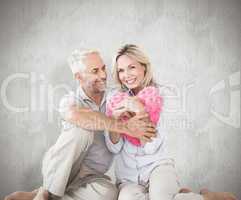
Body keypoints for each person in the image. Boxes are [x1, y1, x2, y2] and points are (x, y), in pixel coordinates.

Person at [4, 49, 156, 200]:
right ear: (79, 77)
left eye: (103, 68)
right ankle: (47, 192)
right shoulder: (70, 100)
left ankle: (41, 195)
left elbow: (136, 111)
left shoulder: (114, 96)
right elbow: (76, 115)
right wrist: (124, 127)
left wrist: (139, 116)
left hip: (92, 176)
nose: (103, 75)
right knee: (82, 131)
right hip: (64, 167)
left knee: (109, 194)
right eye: (95, 71)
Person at [104, 44, 237, 200]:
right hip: (128, 177)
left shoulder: (163, 95)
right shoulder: (115, 99)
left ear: (144, 68)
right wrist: (114, 122)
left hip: (158, 166)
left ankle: (209, 197)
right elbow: (114, 148)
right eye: (121, 70)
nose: (126, 75)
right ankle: (186, 196)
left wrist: (140, 110)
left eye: (132, 67)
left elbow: (150, 147)